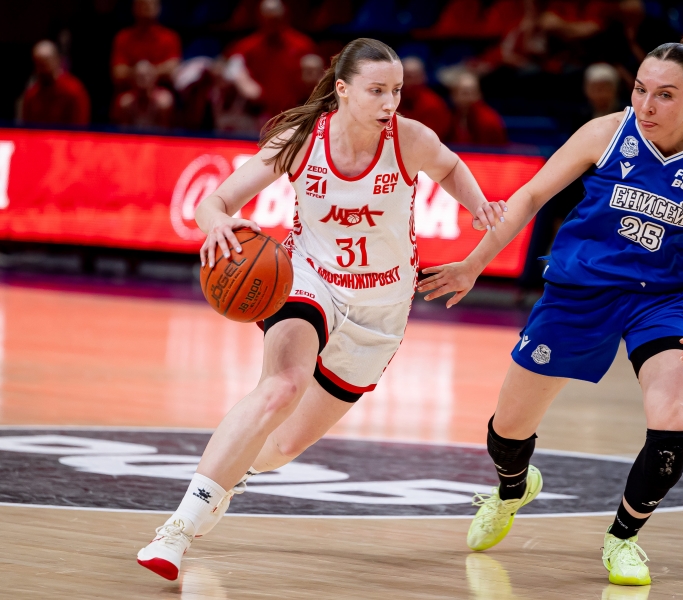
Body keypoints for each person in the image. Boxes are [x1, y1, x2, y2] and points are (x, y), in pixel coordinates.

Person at [135, 37, 506, 581]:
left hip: (380, 309)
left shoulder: (410, 139)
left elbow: (449, 168)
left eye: (396, 91)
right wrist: (215, 222)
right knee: (281, 386)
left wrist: (476, 205)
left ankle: (232, 474)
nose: (389, 103)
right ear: (342, 89)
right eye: (376, 90)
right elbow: (213, 202)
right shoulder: (301, 140)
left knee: (280, 448)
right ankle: (177, 529)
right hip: (310, 280)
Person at [419, 35, 683, 586]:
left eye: (664, 95)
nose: (646, 105)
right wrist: (473, 264)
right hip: (580, 291)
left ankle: (623, 538)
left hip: (665, 301)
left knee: (672, 425)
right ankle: (513, 488)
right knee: (507, 431)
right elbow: (531, 196)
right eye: (640, 89)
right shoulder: (606, 133)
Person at [227, 0, 317, 121]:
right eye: (268, 19)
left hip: (295, 110)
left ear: (284, 17)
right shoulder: (247, 46)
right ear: (261, 19)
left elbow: (317, 74)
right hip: (260, 113)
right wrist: (243, 80)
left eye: (276, 19)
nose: (272, 25)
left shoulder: (303, 45)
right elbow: (230, 67)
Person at [111, 0, 181, 90]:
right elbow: (118, 73)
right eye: (143, 4)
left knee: (164, 98)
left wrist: (147, 72)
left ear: (158, 7)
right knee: (125, 99)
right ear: (134, 8)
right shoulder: (122, 37)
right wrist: (138, 72)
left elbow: (173, 69)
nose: (147, 7)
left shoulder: (170, 37)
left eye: (151, 4)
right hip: (131, 91)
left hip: (160, 90)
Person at [20, 40, 90, 126]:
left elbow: (80, 127)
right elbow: (26, 127)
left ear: (57, 60)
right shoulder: (32, 94)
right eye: (38, 64)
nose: (42, 70)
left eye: (45, 64)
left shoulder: (74, 91)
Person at [447, 71, 508, 145]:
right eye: (465, 93)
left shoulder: (489, 120)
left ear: (480, 94)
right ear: (453, 95)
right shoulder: (449, 117)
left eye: (473, 93)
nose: (470, 98)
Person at [110, 60, 174, 130]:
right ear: (133, 79)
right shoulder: (126, 103)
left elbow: (165, 132)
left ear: (154, 78)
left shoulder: (163, 103)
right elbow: (123, 132)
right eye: (139, 76)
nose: (143, 79)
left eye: (147, 75)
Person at [400, 56, 452, 140]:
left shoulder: (433, 104)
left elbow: (431, 139)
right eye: (407, 77)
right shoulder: (391, 100)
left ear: (424, 77)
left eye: (415, 77)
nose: (412, 81)